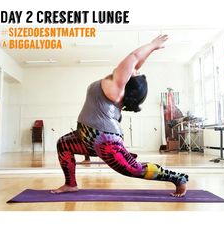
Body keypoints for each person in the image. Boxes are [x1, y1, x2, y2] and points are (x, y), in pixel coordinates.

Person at [52, 34, 189, 197]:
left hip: (104, 140)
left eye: (134, 73)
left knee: (133, 169)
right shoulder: (116, 85)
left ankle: (178, 178)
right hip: (86, 137)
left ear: (128, 84)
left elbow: (134, 57)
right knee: (63, 144)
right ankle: (70, 184)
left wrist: (152, 45)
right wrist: (150, 51)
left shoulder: (116, 88)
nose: (135, 69)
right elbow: (137, 63)